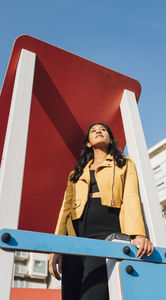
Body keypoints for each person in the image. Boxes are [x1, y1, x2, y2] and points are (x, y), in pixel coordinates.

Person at [49, 122, 154, 300]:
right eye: (93, 131)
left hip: (107, 228)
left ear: (110, 139)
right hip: (75, 232)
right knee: (71, 293)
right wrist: (56, 247)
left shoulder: (124, 163)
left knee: (95, 292)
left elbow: (130, 197)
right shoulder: (76, 173)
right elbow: (65, 209)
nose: (98, 131)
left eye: (103, 130)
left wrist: (138, 234)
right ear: (88, 143)